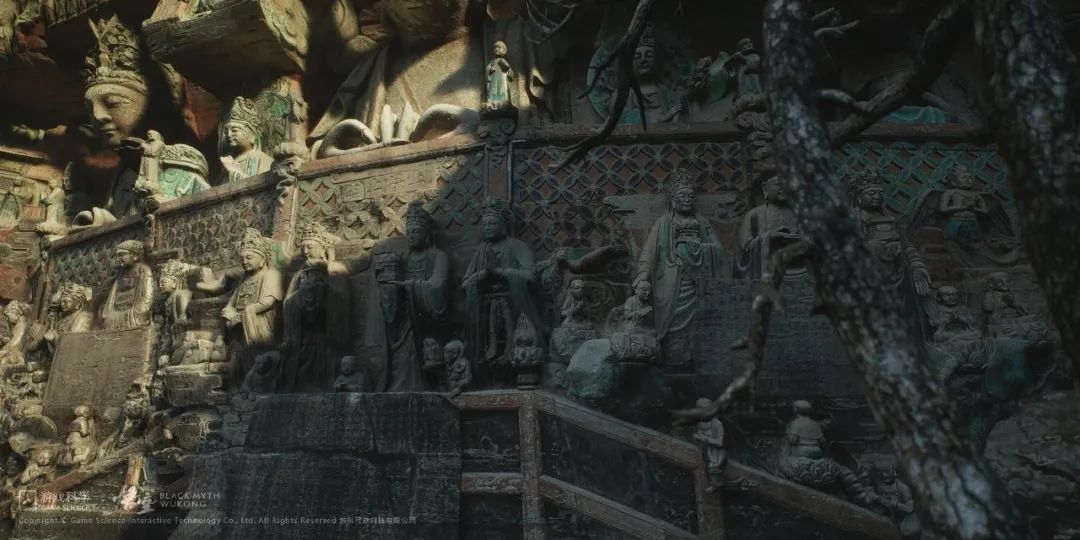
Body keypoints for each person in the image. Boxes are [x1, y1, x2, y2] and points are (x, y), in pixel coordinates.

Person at [637, 168, 725, 369]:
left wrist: (698, 248)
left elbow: (719, 250)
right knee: (674, 324)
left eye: (691, 196)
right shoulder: (664, 223)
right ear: (673, 199)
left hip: (697, 281)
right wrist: (643, 274)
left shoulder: (702, 222)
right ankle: (674, 363)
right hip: (672, 280)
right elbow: (649, 252)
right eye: (682, 195)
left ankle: (695, 362)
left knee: (699, 324)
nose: (687, 199)